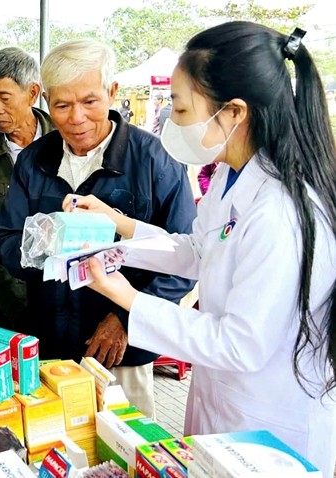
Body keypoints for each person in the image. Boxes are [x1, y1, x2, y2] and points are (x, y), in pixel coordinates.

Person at [71, 23, 336, 475]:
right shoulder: (233, 179)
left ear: (233, 112)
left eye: (180, 107)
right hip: (225, 402)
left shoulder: (282, 212)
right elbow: (197, 250)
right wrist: (120, 231)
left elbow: (240, 344)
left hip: (270, 421)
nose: (171, 122)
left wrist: (126, 297)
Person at [0, 39, 196, 418]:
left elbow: (183, 258)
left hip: (123, 353)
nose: (76, 118)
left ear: (112, 92)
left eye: (89, 102)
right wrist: (46, 245)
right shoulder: (34, 161)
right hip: (49, 346)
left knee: (123, 452)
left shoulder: (155, 160)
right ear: (46, 101)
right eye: (62, 105)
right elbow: (5, 239)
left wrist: (126, 316)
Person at [0, 47, 55, 329]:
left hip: (68, 301)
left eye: (4, 98)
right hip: (12, 307)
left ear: (32, 92)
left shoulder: (64, 142)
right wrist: (18, 307)